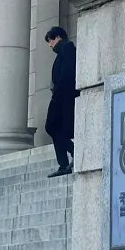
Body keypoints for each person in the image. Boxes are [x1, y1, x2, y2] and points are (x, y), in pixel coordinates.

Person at [44, 26, 78, 178]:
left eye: (50, 41)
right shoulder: (63, 52)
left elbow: (67, 75)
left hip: (63, 98)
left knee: (51, 126)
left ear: (58, 37)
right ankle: (64, 163)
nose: (50, 45)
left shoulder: (67, 49)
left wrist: (57, 92)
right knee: (54, 127)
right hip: (61, 97)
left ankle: (72, 153)